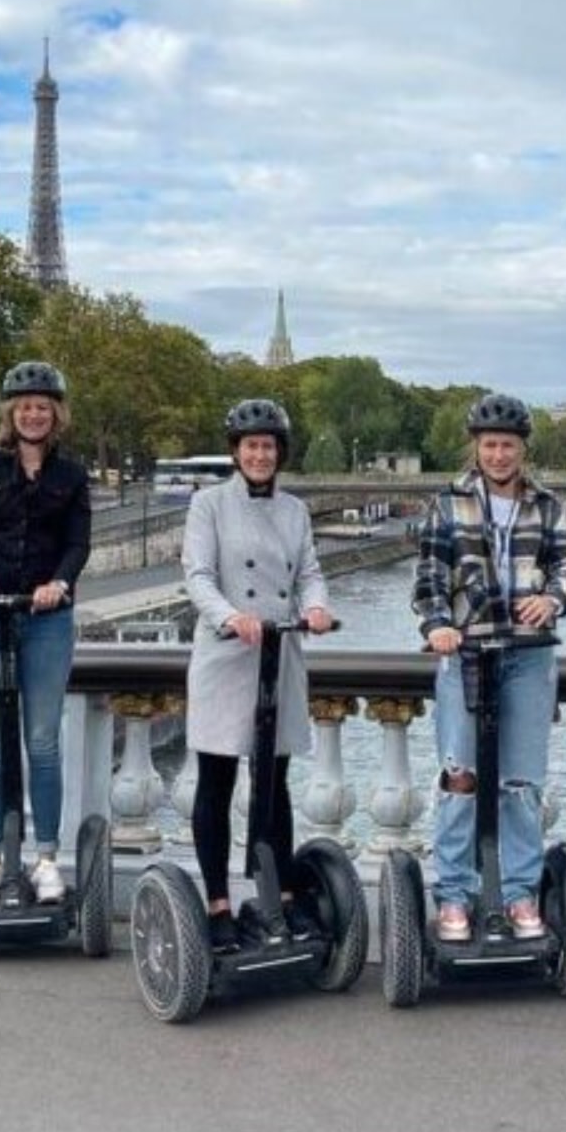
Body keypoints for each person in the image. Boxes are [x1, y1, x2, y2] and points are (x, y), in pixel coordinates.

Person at [410, 392, 566, 943]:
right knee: (459, 775)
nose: (498, 454)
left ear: (522, 449)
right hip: (463, 651)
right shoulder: (447, 504)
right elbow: (429, 579)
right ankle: (455, 895)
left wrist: (554, 599)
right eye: (489, 445)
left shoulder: (548, 505)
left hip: (530, 654)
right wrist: (437, 624)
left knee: (521, 783)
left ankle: (519, 894)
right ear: (476, 448)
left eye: (507, 445)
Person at [181, 399, 332, 950]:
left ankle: (280, 896)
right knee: (216, 782)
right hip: (227, 653)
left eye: (269, 446)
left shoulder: (295, 510)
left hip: (280, 652)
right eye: (251, 446)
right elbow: (197, 576)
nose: (261, 454)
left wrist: (315, 608)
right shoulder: (208, 505)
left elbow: (311, 572)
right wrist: (231, 617)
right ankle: (218, 902)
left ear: (280, 453)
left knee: (276, 780)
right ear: (236, 452)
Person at [0, 360, 93, 906]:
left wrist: (59, 582)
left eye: (43, 406)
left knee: (42, 743)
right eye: (25, 406)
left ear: (56, 414)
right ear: (12, 413)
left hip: (47, 620)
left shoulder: (72, 476)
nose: (33, 414)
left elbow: (79, 543)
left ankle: (47, 856)